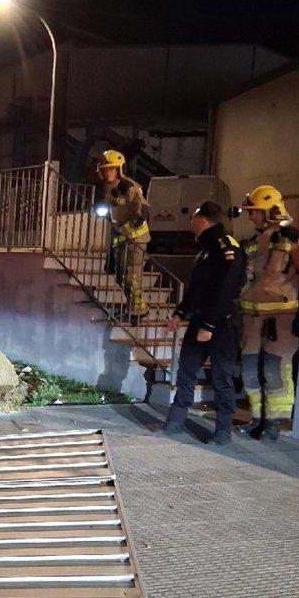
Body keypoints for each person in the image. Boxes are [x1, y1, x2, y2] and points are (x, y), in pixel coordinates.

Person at [237, 185, 299, 441]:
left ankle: (273, 424)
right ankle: (256, 419)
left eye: (255, 212)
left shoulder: (294, 238)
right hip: (252, 318)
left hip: (282, 319)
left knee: (275, 370)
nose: (251, 217)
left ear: (271, 211)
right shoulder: (252, 242)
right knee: (249, 369)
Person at [161, 202, 246, 445]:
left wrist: (208, 326)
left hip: (221, 325)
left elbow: (226, 290)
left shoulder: (227, 248)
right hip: (199, 320)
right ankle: (175, 422)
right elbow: (196, 290)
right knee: (186, 371)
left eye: (194, 219)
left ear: (205, 221)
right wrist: (180, 313)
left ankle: (222, 433)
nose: (191, 224)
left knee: (221, 378)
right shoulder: (205, 251)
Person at [97, 149, 150, 320]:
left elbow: (143, 212)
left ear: (119, 169)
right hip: (121, 236)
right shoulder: (108, 188)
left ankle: (139, 310)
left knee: (131, 275)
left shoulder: (129, 187)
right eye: (105, 169)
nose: (108, 172)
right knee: (121, 276)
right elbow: (113, 208)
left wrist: (127, 228)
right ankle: (132, 307)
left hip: (135, 238)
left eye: (112, 169)